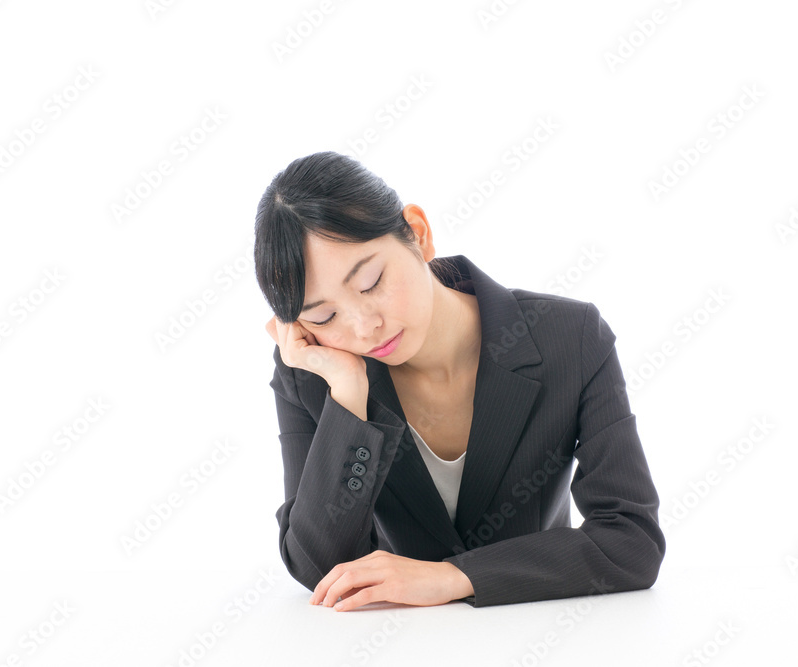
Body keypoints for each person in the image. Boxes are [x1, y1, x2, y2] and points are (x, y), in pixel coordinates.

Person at [255, 151, 666, 611]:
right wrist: (348, 398)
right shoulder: (314, 374)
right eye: (325, 315)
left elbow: (631, 542)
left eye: (371, 282)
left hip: (545, 629)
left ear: (419, 234)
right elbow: (319, 570)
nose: (363, 326)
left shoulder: (571, 338)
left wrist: (456, 577)